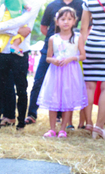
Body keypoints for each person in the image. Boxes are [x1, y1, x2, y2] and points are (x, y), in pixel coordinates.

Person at [26, 0, 83, 125]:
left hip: (69, 54)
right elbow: (43, 28)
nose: (66, 21)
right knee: (38, 81)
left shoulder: (80, 4)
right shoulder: (51, 5)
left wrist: (68, 39)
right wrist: (58, 40)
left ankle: (60, 116)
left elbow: (85, 26)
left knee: (65, 86)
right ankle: (32, 114)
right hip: (50, 51)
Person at [0, 1, 42, 129]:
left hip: (20, 52)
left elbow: (22, 21)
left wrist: (1, 28)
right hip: (3, 52)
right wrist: (17, 31)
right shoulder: (5, 4)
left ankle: (21, 123)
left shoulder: (32, 4)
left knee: (21, 89)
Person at [37, 7, 87, 138]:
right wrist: (53, 60)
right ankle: (52, 129)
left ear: (74, 21)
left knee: (67, 100)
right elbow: (48, 57)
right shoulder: (53, 38)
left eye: (69, 19)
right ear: (57, 21)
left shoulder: (77, 37)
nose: (66, 22)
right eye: (63, 19)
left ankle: (63, 129)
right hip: (56, 72)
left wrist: (71, 58)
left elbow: (83, 56)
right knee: (54, 99)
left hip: (71, 72)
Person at [80, 0, 105, 139]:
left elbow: (84, 28)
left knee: (89, 87)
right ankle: (99, 127)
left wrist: (81, 49)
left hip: (91, 46)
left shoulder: (89, 1)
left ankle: (88, 122)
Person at [0, 0, 31, 64]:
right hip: (14, 16)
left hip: (7, 15)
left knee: (2, 36)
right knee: (25, 30)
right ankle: (15, 45)